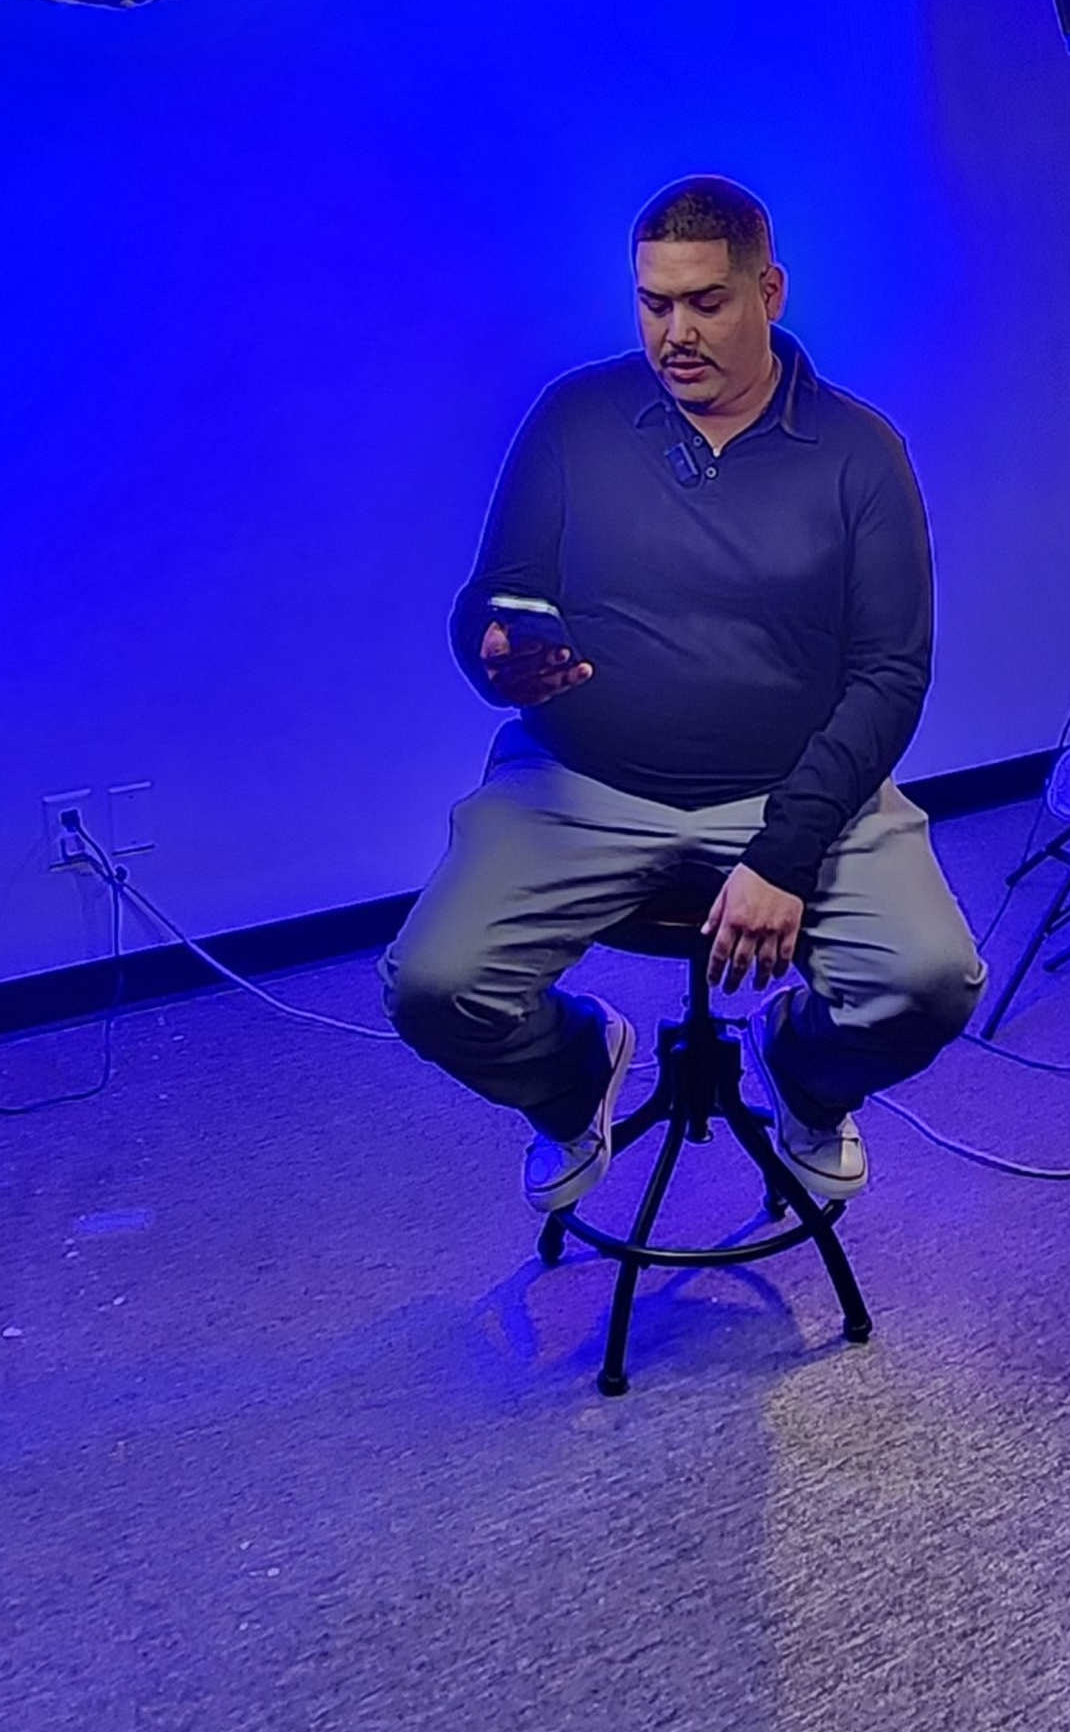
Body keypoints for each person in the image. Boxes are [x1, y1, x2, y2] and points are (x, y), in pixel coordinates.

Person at [383, 175, 984, 1217]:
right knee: (433, 985)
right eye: (655, 303)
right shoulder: (577, 417)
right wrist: (490, 650)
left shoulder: (859, 453)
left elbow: (892, 674)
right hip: (580, 779)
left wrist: (784, 853)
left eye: (706, 300)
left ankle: (800, 1074)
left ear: (771, 291)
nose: (676, 333)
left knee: (932, 980)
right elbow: (491, 594)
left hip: (793, 788)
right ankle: (576, 1076)